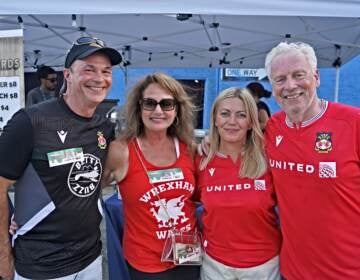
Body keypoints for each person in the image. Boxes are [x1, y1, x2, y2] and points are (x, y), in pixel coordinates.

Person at [0, 36, 122, 280]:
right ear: (68, 75)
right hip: (40, 266)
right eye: (89, 69)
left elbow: (101, 176)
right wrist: (3, 254)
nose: (99, 78)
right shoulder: (30, 121)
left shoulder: (103, 126)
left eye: (106, 71)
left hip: (91, 259)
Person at [264, 41, 360, 279]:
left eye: (299, 75)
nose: (290, 85)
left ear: (316, 77)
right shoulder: (272, 129)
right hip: (292, 272)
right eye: (280, 79)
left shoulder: (353, 123)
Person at [103, 73, 200, 280]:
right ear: (139, 108)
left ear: (177, 110)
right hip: (146, 262)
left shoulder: (189, 149)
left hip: (187, 255)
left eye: (166, 104)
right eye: (150, 103)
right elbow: (86, 192)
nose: (158, 111)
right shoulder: (121, 151)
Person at [195, 87, 281, 280]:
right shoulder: (201, 160)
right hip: (215, 266)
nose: (232, 122)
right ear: (215, 120)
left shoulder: (268, 158)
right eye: (225, 114)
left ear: (251, 122)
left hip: (264, 267)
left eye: (241, 115)